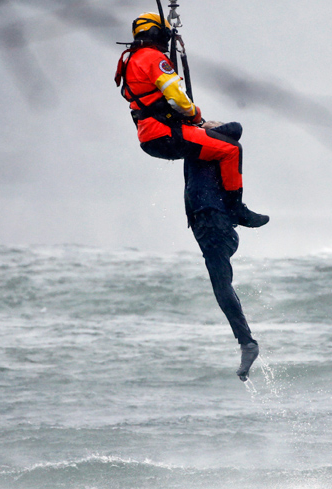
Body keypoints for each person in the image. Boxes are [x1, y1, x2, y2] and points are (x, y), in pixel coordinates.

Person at [115, 12, 268, 381]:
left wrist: (200, 125)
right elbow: (174, 94)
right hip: (170, 140)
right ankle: (237, 206)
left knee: (225, 143)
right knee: (229, 151)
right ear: (159, 36)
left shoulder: (131, 60)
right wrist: (197, 116)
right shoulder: (154, 58)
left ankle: (245, 340)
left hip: (155, 137)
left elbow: (230, 127)